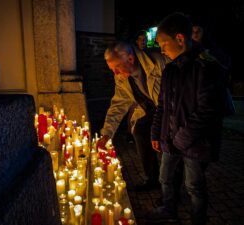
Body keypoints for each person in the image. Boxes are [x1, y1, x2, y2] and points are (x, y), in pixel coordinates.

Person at [145, 12, 226, 225]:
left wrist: (180, 138)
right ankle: (168, 209)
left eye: (163, 43)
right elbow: (162, 105)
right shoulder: (170, 69)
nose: (161, 49)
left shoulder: (205, 66)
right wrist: (156, 132)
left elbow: (207, 111)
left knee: (194, 185)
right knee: (166, 177)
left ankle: (198, 218)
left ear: (180, 39)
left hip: (195, 143)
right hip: (170, 139)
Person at [96, 40, 168, 191]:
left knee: (169, 145)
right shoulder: (122, 76)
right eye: (112, 69)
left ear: (130, 59)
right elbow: (118, 104)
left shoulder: (159, 63)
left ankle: (170, 188)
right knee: (139, 130)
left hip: (168, 110)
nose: (115, 74)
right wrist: (107, 134)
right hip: (149, 109)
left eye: (116, 68)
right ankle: (151, 178)